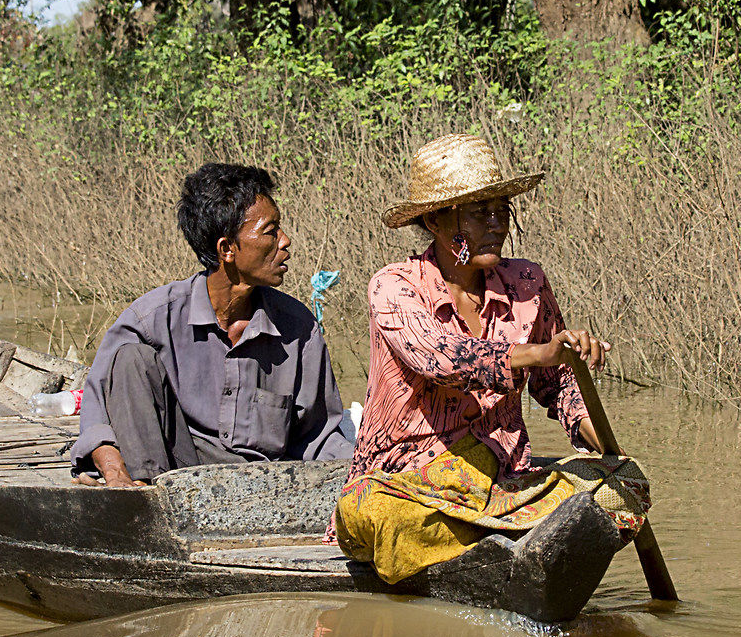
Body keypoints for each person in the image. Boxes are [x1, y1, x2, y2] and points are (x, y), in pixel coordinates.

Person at [335, 134, 647, 583]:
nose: (498, 224)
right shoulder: (393, 286)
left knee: (625, 488)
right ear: (437, 221)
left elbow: (556, 383)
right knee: (379, 517)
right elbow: (441, 358)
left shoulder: (527, 281)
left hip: (503, 481)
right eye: (481, 212)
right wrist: (537, 352)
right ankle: (493, 545)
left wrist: (595, 435)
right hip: (411, 484)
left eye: (503, 210)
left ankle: (497, 540)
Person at [71, 162, 354, 487]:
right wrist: (114, 471)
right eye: (270, 231)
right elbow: (96, 410)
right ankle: (146, 502)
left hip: (261, 489)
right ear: (227, 249)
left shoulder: (299, 329)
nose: (285, 241)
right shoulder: (151, 319)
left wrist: (361, 480)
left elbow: (319, 437)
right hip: (171, 476)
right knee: (131, 360)